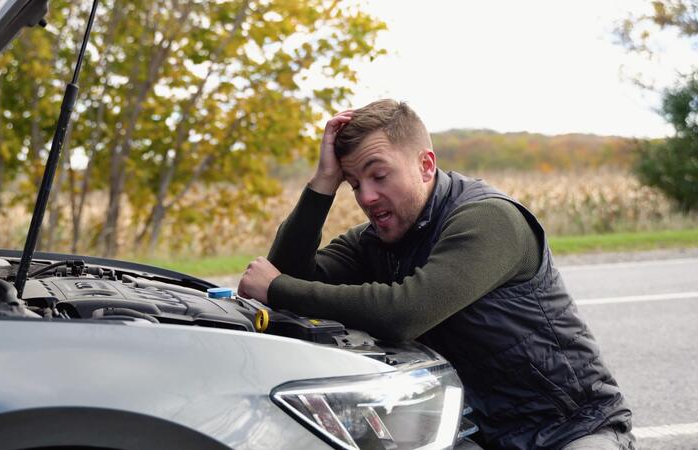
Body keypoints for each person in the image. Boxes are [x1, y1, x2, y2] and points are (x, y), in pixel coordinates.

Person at [237, 99, 634, 449]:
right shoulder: (375, 239)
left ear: (426, 165)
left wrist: (278, 289)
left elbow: (404, 312)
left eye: (379, 175)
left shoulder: (488, 219)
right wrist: (323, 183)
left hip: (571, 428)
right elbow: (289, 274)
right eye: (354, 183)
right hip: (476, 432)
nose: (366, 197)